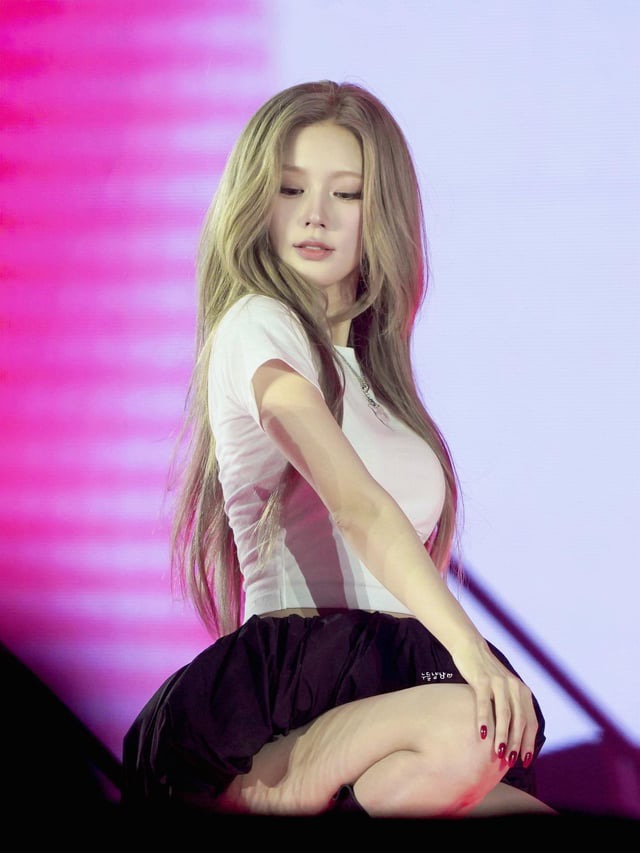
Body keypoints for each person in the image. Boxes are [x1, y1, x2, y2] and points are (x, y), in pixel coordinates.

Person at [122, 80, 556, 819]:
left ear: (379, 211)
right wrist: (472, 652)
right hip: (294, 690)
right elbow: (356, 507)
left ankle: (343, 798)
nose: (315, 215)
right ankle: (288, 786)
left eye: (346, 193)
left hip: (391, 677)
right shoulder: (257, 325)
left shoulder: (378, 379)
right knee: (473, 725)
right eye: (291, 188)